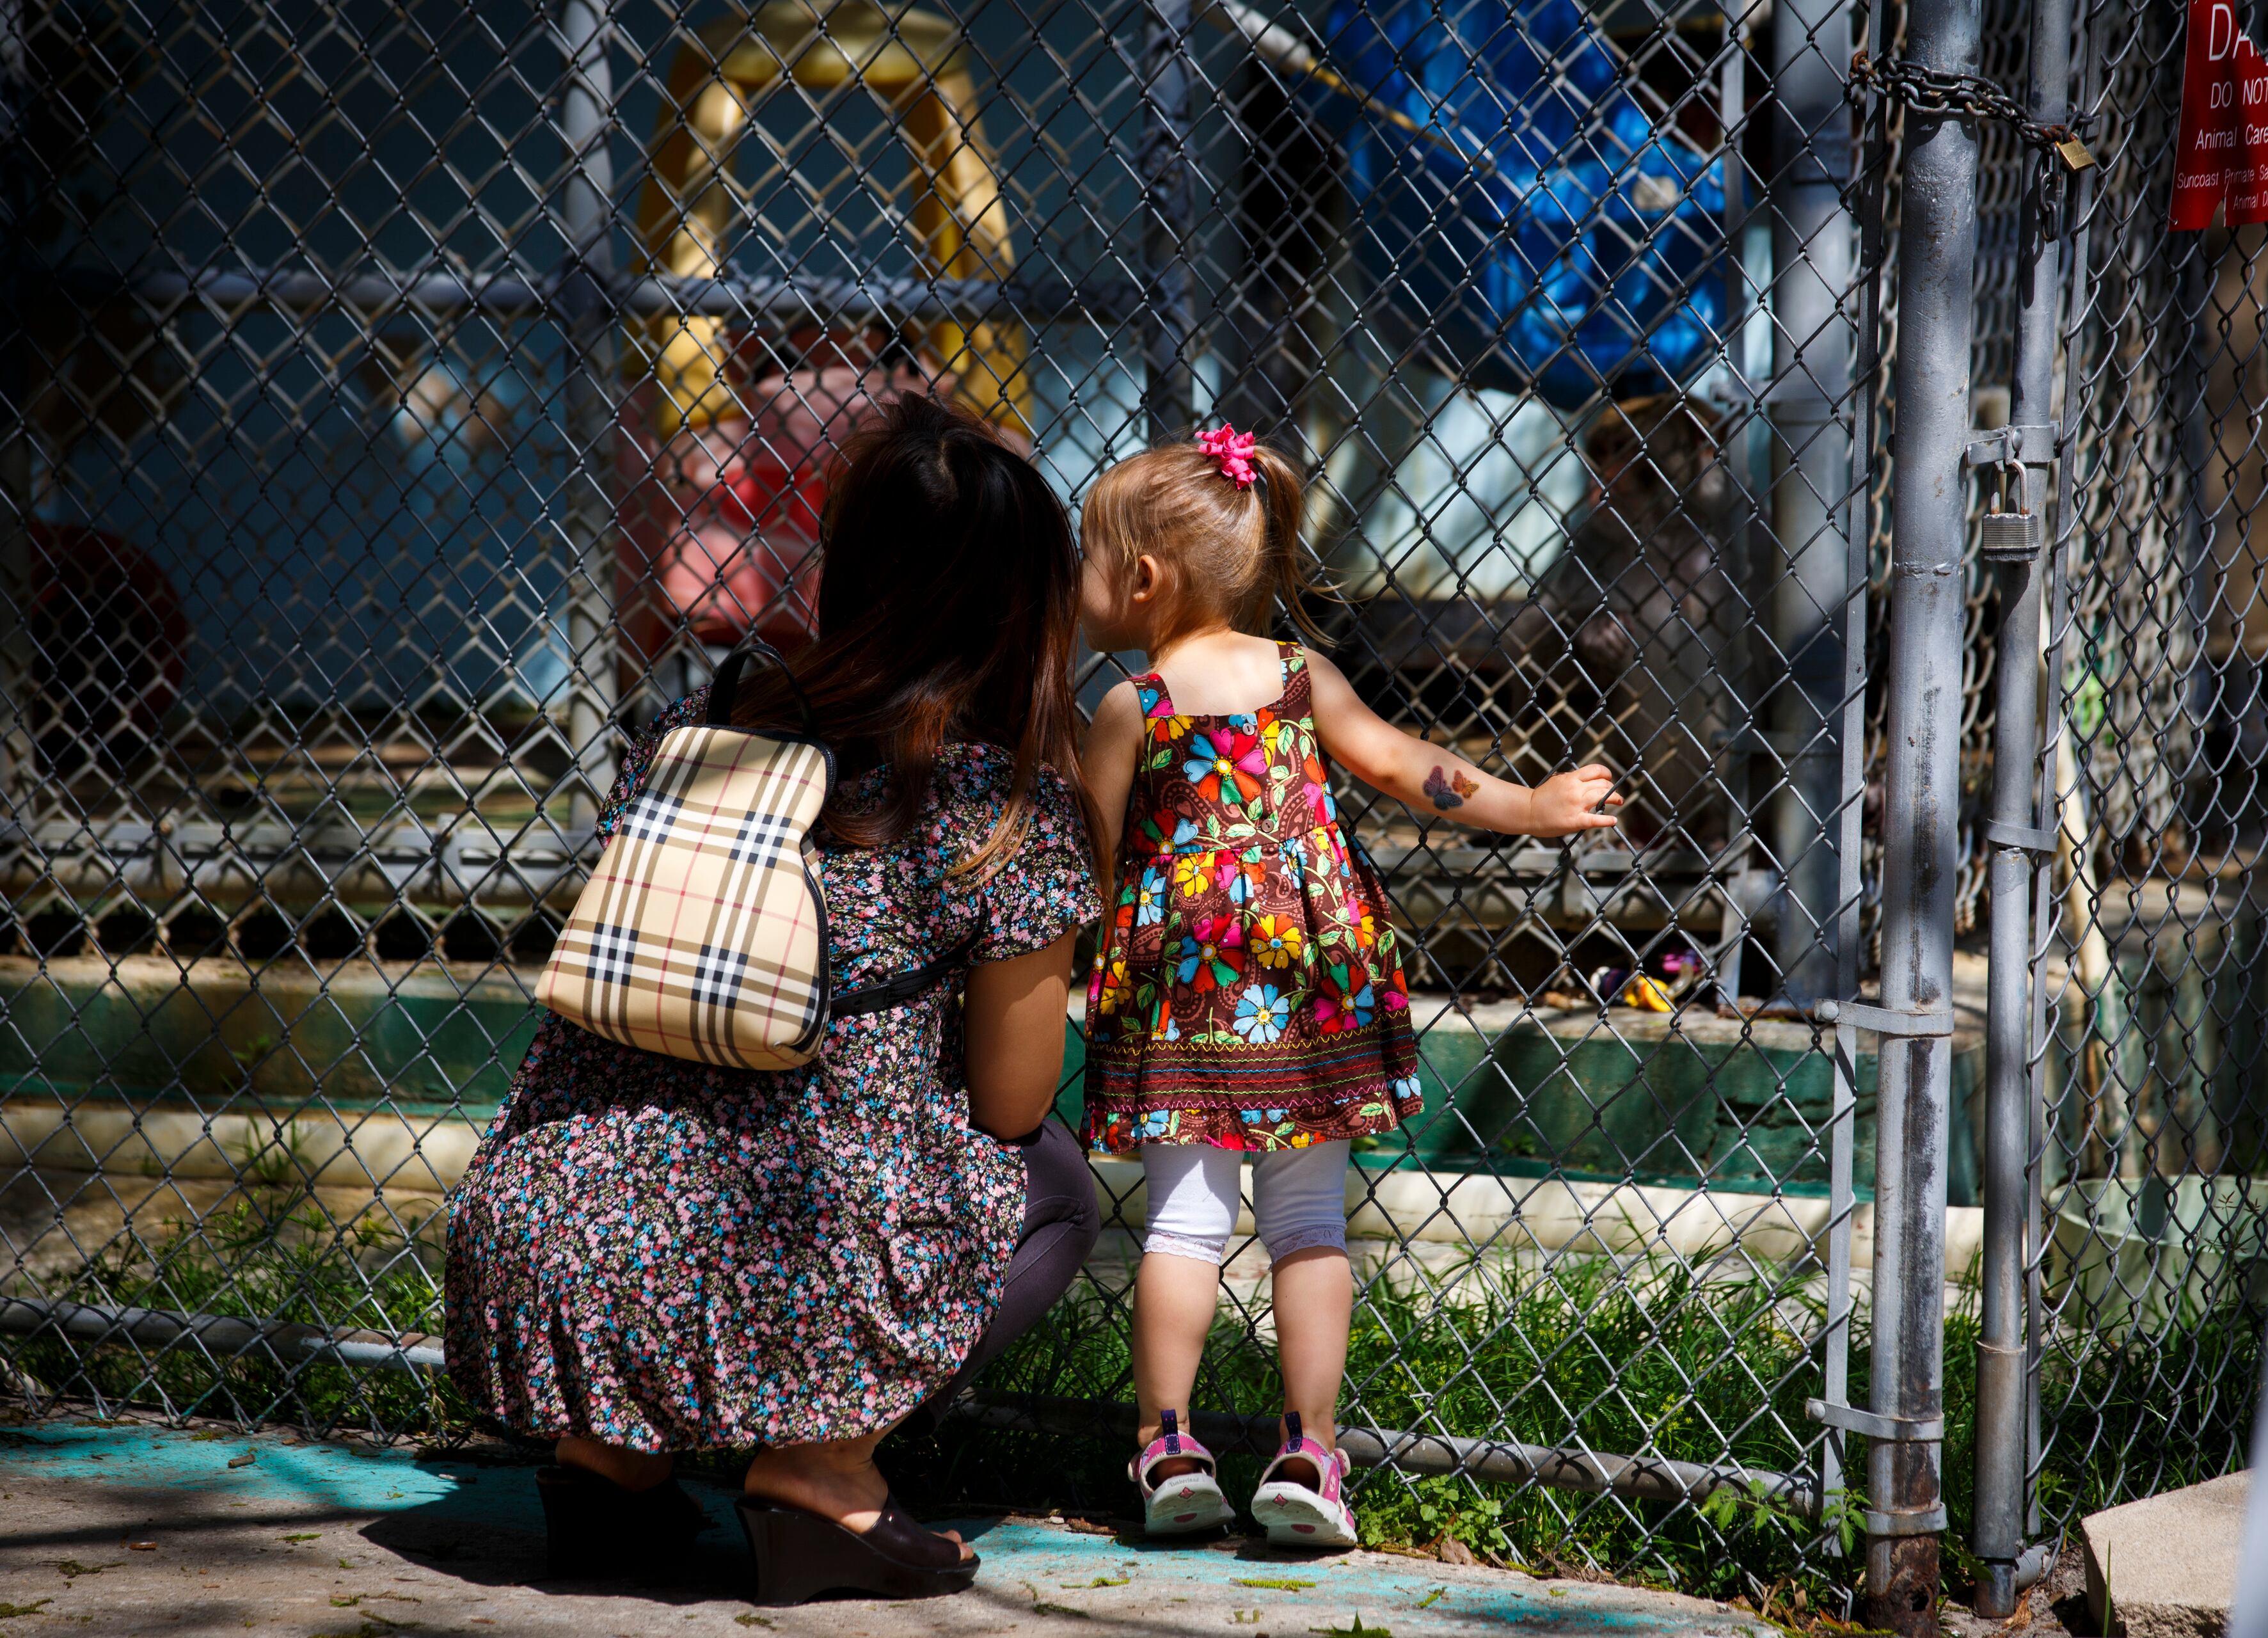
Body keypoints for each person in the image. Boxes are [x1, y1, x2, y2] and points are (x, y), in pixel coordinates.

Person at [443, 394, 1100, 1603]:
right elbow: (1010, 1104)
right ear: (1024, 608)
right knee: (1053, 1185)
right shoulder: (1002, 810)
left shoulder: (704, 732)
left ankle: (608, 1465)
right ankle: (820, 1471)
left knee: (686, 1119)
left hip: (541, 1228)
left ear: (848, 568)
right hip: (782, 1259)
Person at [1075, 424, 1623, 1547]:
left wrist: (1088, 955)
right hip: (1312, 984)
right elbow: (1407, 769)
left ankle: (1169, 1449)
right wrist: (1532, 803)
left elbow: (1085, 858)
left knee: (1182, 1227)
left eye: (1087, 557)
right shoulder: (1298, 675)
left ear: (1141, 578)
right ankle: (1309, 1458)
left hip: (1189, 998)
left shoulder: (1130, 703)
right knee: (1310, 1221)